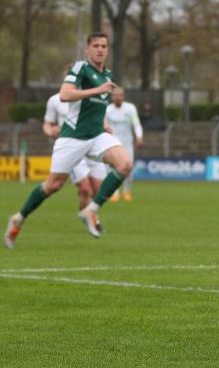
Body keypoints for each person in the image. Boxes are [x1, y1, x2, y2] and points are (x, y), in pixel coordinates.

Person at [5, 33, 134, 248]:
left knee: (125, 164)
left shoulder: (108, 74)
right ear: (87, 49)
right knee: (53, 185)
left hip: (97, 136)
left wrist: (104, 123)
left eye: (104, 46)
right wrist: (97, 90)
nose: (100, 50)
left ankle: (90, 211)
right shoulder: (80, 68)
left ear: (108, 50)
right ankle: (19, 218)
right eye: (95, 46)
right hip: (72, 138)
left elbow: (97, 105)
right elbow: (65, 95)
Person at [41, 69, 108, 231]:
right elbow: (46, 124)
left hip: (91, 145)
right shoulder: (55, 100)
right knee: (85, 188)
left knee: (98, 190)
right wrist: (51, 131)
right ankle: (93, 220)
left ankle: (87, 213)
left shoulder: (91, 97)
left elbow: (101, 117)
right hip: (71, 147)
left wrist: (106, 127)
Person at [106, 87, 143, 202]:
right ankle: (114, 192)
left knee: (128, 168)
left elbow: (136, 123)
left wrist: (139, 136)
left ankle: (127, 191)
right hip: (112, 143)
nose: (118, 98)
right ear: (112, 97)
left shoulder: (130, 108)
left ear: (123, 96)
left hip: (127, 144)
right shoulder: (107, 110)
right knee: (111, 168)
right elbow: (104, 125)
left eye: (120, 95)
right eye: (115, 95)